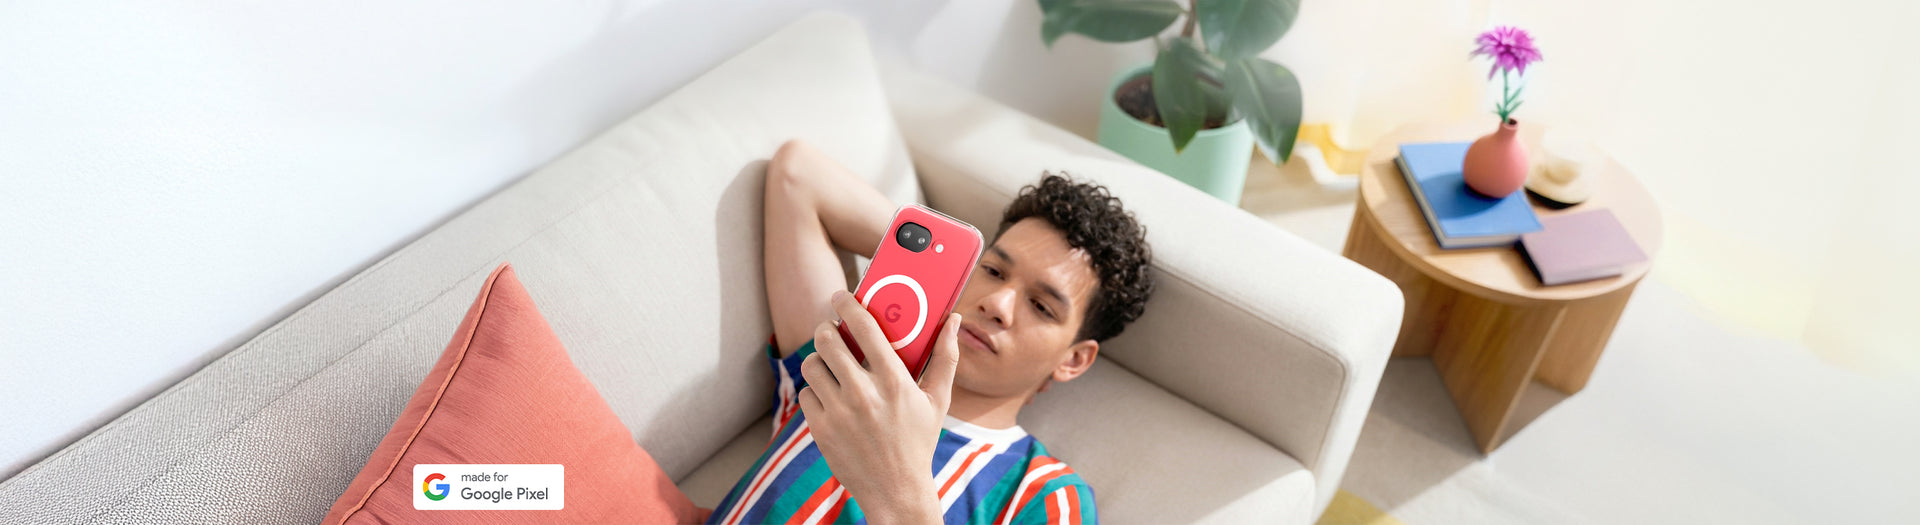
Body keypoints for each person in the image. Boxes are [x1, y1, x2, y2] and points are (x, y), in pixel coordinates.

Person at [704, 140, 1154, 524]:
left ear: (1073, 359)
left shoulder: (1044, 495)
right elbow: (798, 175)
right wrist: (942, 262)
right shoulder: (845, 374)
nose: (997, 305)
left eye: (1040, 306)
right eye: (993, 271)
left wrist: (900, 491)